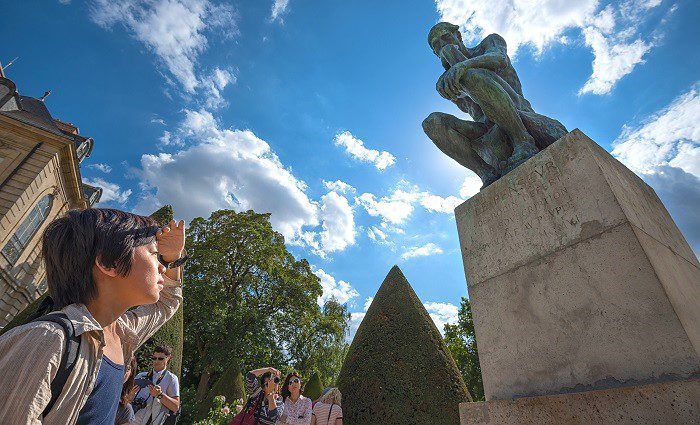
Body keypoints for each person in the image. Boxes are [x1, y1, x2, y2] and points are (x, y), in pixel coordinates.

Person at [0, 208, 186, 424]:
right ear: (109, 263)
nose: (163, 268)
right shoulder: (47, 341)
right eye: (155, 255)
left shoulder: (122, 332)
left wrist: (174, 258)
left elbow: (167, 302)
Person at [132, 344, 180, 425]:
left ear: (168, 358)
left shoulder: (171, 378)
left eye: (160, 358)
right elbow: (126, 400)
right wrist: (129, 396)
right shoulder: (141, 376)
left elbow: (175, 407)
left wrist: (159, 395)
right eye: (154, 358)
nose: (156, 361)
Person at [116, 357, 139, 425]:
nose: (122, 372)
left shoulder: (126, 410)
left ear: (131, 374)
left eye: (127, 369)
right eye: (121, 367)